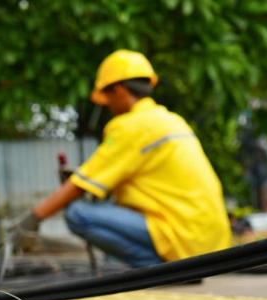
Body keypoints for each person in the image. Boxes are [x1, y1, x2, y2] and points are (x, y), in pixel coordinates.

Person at [14, 50, 230, 267]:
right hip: (211, 239)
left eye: (107, 98)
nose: (107, 105)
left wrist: (33, 219)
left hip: (181, 235)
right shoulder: (171, 120)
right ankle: (173, 267)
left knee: (77, 213)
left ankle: (160, 269)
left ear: (118, 90)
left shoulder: (130, 126)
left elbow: (80, 185)